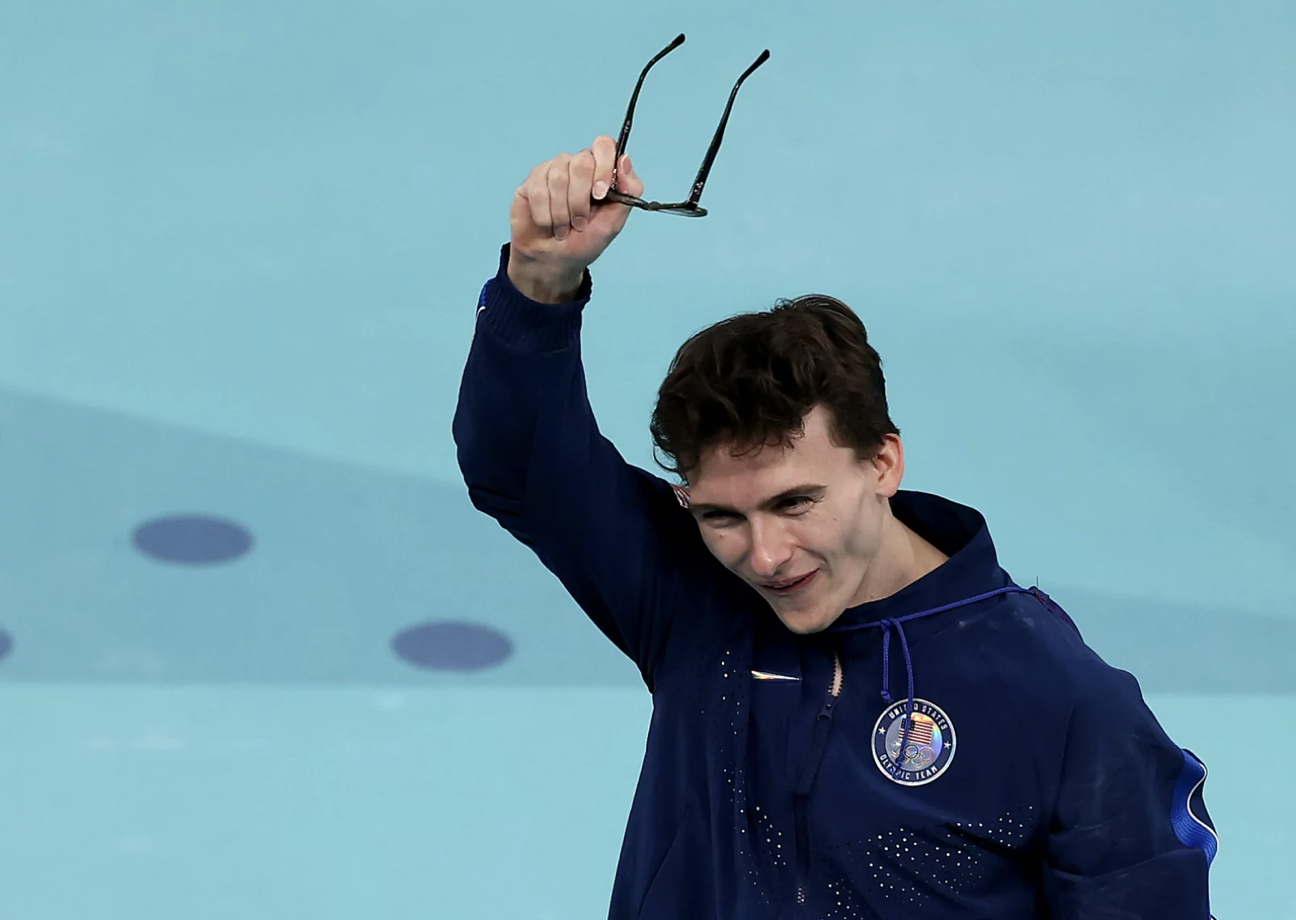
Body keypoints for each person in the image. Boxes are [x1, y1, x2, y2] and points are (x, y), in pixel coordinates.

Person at [453, 134, 1219, 919]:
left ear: (883, 463)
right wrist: (539, 281)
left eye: (795, 503)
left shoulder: (1062, 702)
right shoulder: (695, 599)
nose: (765, 556)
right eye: (720, 515)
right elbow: (520, 466)